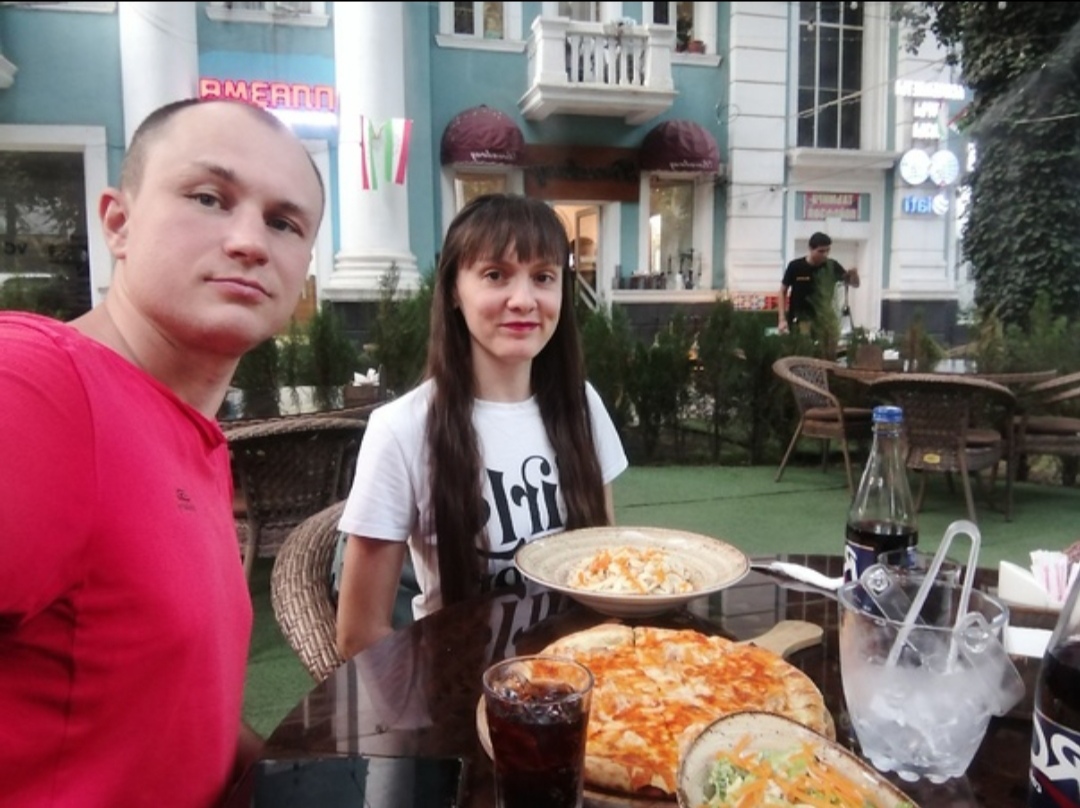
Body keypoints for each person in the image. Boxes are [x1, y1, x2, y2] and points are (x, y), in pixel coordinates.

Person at [0, 98, 325, 807]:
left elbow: (169, 711)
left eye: (284, 222)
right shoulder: (37, 387)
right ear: (118, 222)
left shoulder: (189, 436)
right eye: (209, 198)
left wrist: (303, 779)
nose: (250, 241)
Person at [335, 194, 628, 659]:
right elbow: (359, 634)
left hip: (582, 676)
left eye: (543, 277)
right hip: (463, 682)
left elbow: (604, 568)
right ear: (454, 290)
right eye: (495, 275)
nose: (523, 300)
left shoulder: (582, 405)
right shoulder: (400, 429)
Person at [777, 231, 860, 334]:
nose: (825, 255)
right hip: (800, 319)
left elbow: (855, 284)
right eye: (821, 251)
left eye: (827, 251)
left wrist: (854, 276)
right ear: (810, 249)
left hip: (824, 320)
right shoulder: (795, 266)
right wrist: (781, 319)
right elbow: (782, 291)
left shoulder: (832, 266)